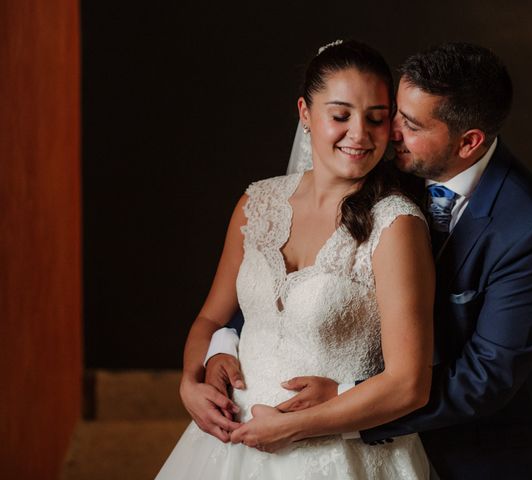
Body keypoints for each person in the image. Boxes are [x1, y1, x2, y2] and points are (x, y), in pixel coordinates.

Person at [205, 42, 532, 480]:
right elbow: (279, 270)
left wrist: (344, 400)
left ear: (469, 142)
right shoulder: (384, 170)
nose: (388, 133)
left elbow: (485, 379)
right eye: (395, 114)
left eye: (409, 123)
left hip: (486, 455)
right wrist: (223, 343)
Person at [155, 40, 435, 479]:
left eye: (375, 118)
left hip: (339, 455)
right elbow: (210, 321)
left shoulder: (396, 225)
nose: (359, 134)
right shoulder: (256, 202)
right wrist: (192, 382)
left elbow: (409, 385)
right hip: (235, 447)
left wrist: (294, 428)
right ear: (305, 113)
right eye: (340, 115)